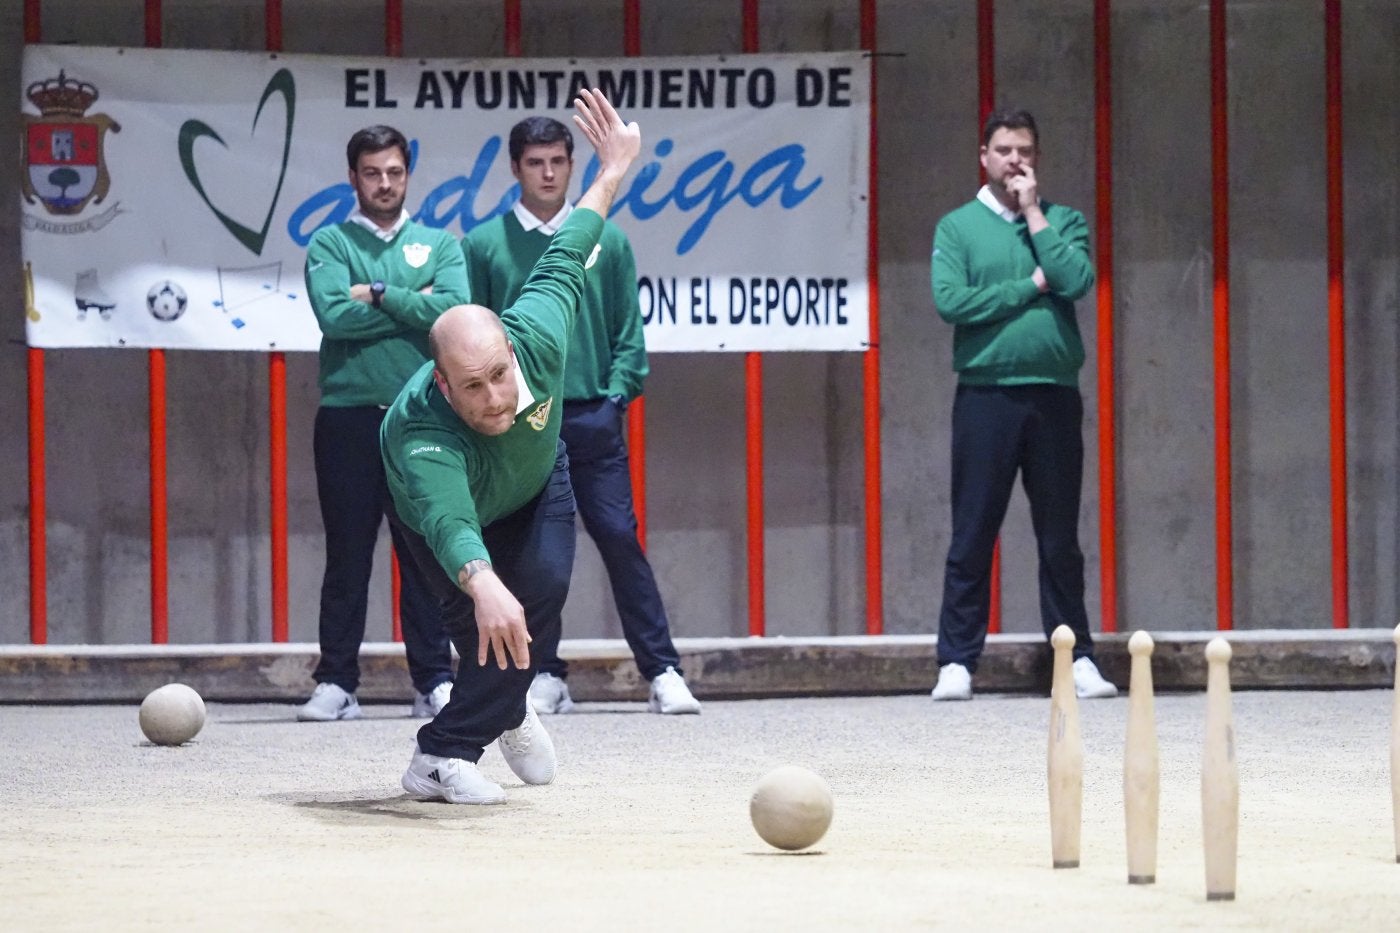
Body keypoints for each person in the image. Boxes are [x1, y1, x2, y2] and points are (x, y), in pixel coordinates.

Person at [382, 89, 641, 804]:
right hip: (441, 507)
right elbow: (447, 521)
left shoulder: (539, 331)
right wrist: (481, 577)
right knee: (488, 618)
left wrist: (613, 167)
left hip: (533, 476)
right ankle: (438, 753)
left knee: (540, 593)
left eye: (500, 374)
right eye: (472, 387)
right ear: (442, 382)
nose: (494, 397)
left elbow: (573, 241)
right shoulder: (418, 431)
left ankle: (499, 705)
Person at [462, 116, 699, 716]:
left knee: (620, 539)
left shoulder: (608, 241)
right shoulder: (485, 245)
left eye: (559, 162)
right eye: (535, 162)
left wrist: (617, 395)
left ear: (573, 166)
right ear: (515, 168)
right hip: (521, 423)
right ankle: (544, 673)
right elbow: (475, 336)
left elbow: (629, 333)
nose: (548, 173)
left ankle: (663, 670)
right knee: (538, 554)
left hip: (593, 414)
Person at [928, 108, 1117, 702]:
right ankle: (957, 661)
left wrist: (1034, 214)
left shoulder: (1062, 221)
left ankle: (1076, 656)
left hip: (1054, 396)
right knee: (973, 531)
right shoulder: (957, 228)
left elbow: (1077, 278)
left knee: (1059, 535)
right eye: (1005, 150)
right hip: (986, 397)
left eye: (1026, 151)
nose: (1016, 160)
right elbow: (953, 303)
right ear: (983, 157)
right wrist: (1029, 287)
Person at [297, 125, 469, 722]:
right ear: (353, 178)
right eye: (372, 173)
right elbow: (334, 317)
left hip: (421, 419)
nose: (384, 183)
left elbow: (450, 312)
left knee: (422, 552)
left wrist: (378, 293)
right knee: (347, 555)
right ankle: (337, 682)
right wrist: (410, 303)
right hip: (346, 418)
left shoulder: (440, 244)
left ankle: (432, 681)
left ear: (407, 174)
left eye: (394, 172)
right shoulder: (329, 242)